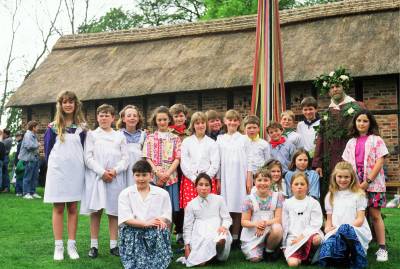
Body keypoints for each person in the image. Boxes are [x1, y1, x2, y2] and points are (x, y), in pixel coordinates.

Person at [80, 104, 129, 258]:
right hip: (98, 178)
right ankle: (94, 245)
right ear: (97, 117)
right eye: (101, 115)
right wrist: (102, 172)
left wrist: (114, 171)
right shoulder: (92, 135)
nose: (104, 117)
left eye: (107, 115)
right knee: (96, 211)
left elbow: (125, 158)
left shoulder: (119, 136)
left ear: (113, 118)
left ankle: (114, 245)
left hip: (115, 177)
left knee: (113, 211)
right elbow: (88, 157)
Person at [43, 91, 87, 260]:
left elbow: (84, 149)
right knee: (59, 208)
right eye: (65, 102)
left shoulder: (82, 128)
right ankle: (59, 246)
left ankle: (72, 245)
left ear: (76, 105)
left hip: (76, 172)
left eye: (71, 102)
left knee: (73, 208)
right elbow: (47, 153)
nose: (68, 105)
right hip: (58, 173)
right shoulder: (52, 127)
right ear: (60, 105)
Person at [342, 109, 389, 262]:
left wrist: (367, 182)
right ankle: (356, 246)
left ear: (370, 123)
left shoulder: (377, 140)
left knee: (375, 215)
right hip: (355, 185)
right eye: (359, 121)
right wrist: (355, 183)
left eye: (365, 121)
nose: (361, 123)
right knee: (356, 216)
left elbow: (380, 161)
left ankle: (382, 248)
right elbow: (347, 164)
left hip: (373, 184)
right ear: (355, 123)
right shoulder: (351, 142)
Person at [312, 67, 366, 194]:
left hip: (354, 155)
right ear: (328, 91)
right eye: (331, 87)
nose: (335, 89)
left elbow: (368, 130)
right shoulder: (327, 113)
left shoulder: (358, 106)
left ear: (343, 87)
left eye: (337, 86)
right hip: (330, 158)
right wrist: (317, 162)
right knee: (334, 190)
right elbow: (321, 137)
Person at [118, 160, 172, 269]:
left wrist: (157, 221)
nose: (141, 179)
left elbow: (166, 214)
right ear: (133, 176)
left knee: (158, 264)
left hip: (154, 228)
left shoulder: (162, 193)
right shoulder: (125, 193)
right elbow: (126, 219)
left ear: (151, 176)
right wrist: (145, 224)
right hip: (133, 231)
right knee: (136, 265)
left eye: (144, 175)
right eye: (137, 175)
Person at [319, 161, 372, 268]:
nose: (343, 180)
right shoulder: (330, 195)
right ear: (335, 177)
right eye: (340, 176)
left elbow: (360, 219)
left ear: (352, 177)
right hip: (336, 230)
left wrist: (343, 229)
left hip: (355, 230)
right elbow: (329, 218)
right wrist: (327, 228)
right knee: (328, 250)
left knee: (345, 229)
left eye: (346, 177)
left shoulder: (358, 194)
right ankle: (343, 256)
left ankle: (354, 256)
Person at [143, 106, 181, 230]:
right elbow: (147, 157)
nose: (162, 122)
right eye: (159, 120)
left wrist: (167, 173)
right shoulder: (150, 138)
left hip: (171, 179)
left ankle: (166, 239)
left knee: (169, 209)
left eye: (165, 119)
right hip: (154, 178)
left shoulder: (175, 138)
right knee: (154, 208)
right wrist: (157, 172)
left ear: (169, 120)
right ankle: (154, 236)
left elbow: (178, 158)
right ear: (155, 121)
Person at [182, 173, 232, 267]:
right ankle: (208, 256)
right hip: (200, 233)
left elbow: (227, 218)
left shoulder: (219, 200)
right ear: (195, 187)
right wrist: (187, 246)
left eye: (206, 185)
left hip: (217, 229)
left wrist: (224, 226)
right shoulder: (191, 204)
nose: (204, 188)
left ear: (211, 187)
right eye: (200, 184)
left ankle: (218, 253)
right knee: (200, 263)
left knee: (221, 239)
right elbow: (187, 227)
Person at [216, 109, 249, 246]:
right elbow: (218, 161)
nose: (232, 122)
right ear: (225, 121)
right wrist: (218, 179)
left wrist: (248, 179)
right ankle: (225, 236)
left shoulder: (244, 138)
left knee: (238, 207)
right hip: (225, 176)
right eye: (230, 119)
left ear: (239, 122)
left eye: (235, 120)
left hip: (240, 177)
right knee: (226, 207)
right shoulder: (220, 139)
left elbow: (249, 160)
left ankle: (236, 237)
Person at [241, 169, 283, 262]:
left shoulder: (278, 197)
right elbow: (244, 222)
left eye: (266, 180)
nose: (262, 183)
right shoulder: (249, 199)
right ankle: (259, 250)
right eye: (259, 180)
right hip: (254, 233)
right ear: (254, 182)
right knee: (255, 259)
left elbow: (278, 219)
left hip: (270, 230)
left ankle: (269, 251)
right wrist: (256, 224)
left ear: (271, 182)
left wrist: (263, 224)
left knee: (278, 228)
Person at [282, 172, 323, 267]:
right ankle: (301, 257)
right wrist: (284, 245)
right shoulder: (287, 203)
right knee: (293, 264)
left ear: (307, 187)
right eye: (296, 184)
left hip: (309, 235)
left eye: (302, 184)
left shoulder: (313, 203)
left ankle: (311, 255)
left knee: (317, 239)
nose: (299, 187)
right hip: (293, 237)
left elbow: (316, 223)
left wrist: (302, 236)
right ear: (291, 187)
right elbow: (285, 225)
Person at [180, 112, 219, 209]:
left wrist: (207, 178)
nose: (200, 125)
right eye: (197, 123)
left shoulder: (212, 143)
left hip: (207, 180)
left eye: (203, 123)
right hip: (190, 180)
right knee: (190, 209)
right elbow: (184, 162)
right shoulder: (187, 141)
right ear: (193, 125)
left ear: (206, 124)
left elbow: (215, 163)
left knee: (208, 209)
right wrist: (194, 178)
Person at [168, 103, 190, 245]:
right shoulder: (169, 133)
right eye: (176, 116)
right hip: (173, 171)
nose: (179, 118)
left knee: (184, 204)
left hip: (187, 171)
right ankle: (175, 230)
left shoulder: (190, 133)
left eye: (181, 115)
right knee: (174, 204)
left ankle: (182, 232)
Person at [116, 105, 146, 186]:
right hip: (124, 169)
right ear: (123, 118)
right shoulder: (118, 134)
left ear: (138, 118)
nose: (132, 118)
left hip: (139, 169)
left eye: (135, 116)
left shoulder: (144, 135)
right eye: (129, 116)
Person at [243, 115, 270, 183]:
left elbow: (267, 162)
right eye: (249, 128)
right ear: (244, 129)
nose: (252, 130)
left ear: (258, 129)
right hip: (244, 176)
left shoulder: (264, 144)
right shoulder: (241, 142)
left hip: (259, 177)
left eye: (254, 127)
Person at [18, 120, 41, 199]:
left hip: (34, 158)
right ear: (33, 127)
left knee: (34, 177)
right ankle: (26, 193)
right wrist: (37, 145)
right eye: (37, 127)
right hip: (29, 159)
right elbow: (28, 146)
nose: (38, 128)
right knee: (28, 176)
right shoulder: (28, 135)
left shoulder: (33, 135)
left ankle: (32, 192)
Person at [13, 131, 24, 196]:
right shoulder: (21, 143)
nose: (16, 138)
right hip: (21, 161)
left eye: (17, 136)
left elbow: (18, 154)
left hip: (19, 161)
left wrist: (15, 162)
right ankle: (19, 191)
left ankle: (18, 191)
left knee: (19, 177)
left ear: (20, 136)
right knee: (20, 177)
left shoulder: (20, 143)